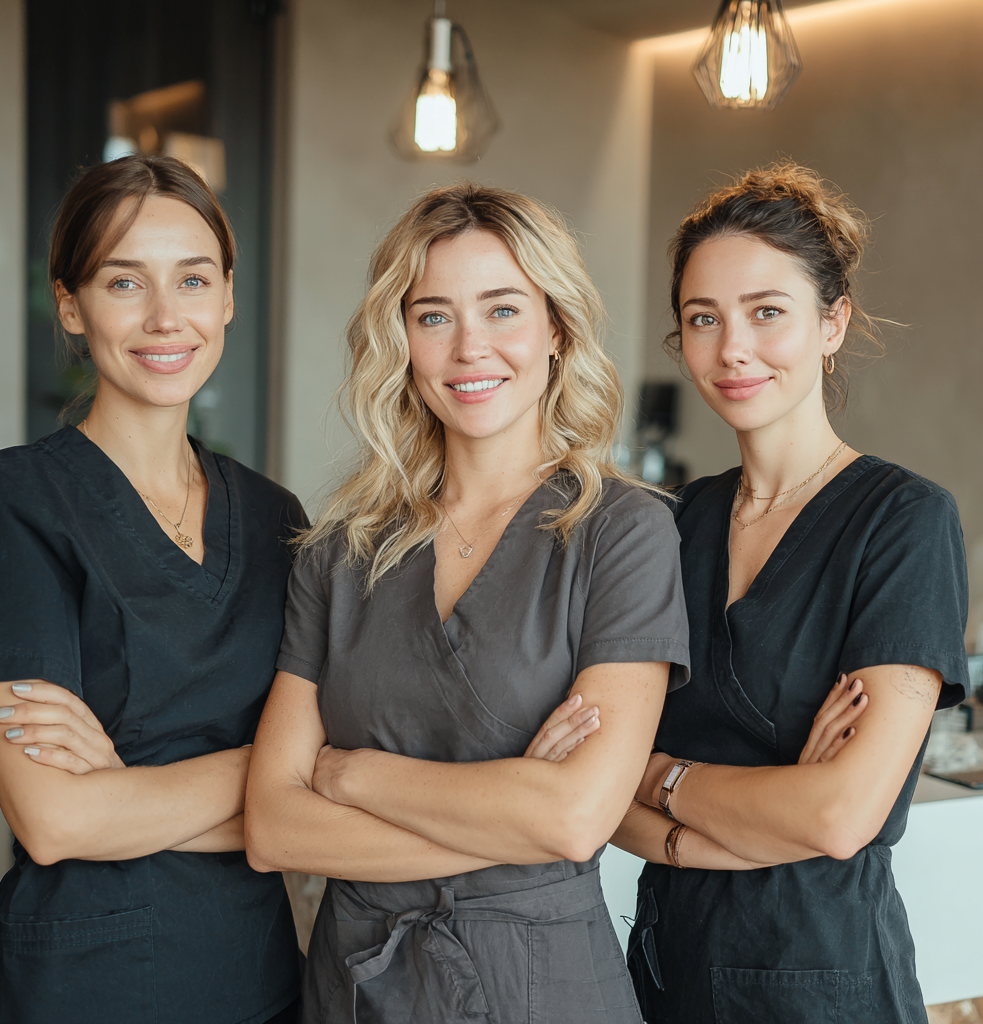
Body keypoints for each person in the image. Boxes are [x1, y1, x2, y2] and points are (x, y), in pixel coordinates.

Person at [244, 182, 692, 1023]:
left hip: (542, 987)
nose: (468, 348)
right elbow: (273, 827)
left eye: (502, 309)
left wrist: (352, 775)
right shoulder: (340, 550)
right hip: (357, 987)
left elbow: (575, 818)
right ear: (401, 339)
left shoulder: (624, 533)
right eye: (434, 316)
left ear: (556, 329)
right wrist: (511, 808)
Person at [611, 163, 969, 1024]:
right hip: (664, 972)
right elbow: (594, 795)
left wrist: (659, 777)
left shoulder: (903, 520)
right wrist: (764, 808)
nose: (732, 348)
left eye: (766, 311)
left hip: (824, 980)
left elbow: (842, 814)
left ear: (832, 322)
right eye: (704, 318)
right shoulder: (665, 525)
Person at [0, 155, 303, 1024]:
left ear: (228, 296)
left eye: (193, 279)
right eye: (123, 282)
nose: (164, 317)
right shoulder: (11, 503)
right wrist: (286, 772)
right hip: (85, 984)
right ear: (70, 306)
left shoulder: (275, 518)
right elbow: (54, 823)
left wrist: (128, 792)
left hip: (258, 976)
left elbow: (313, 816)